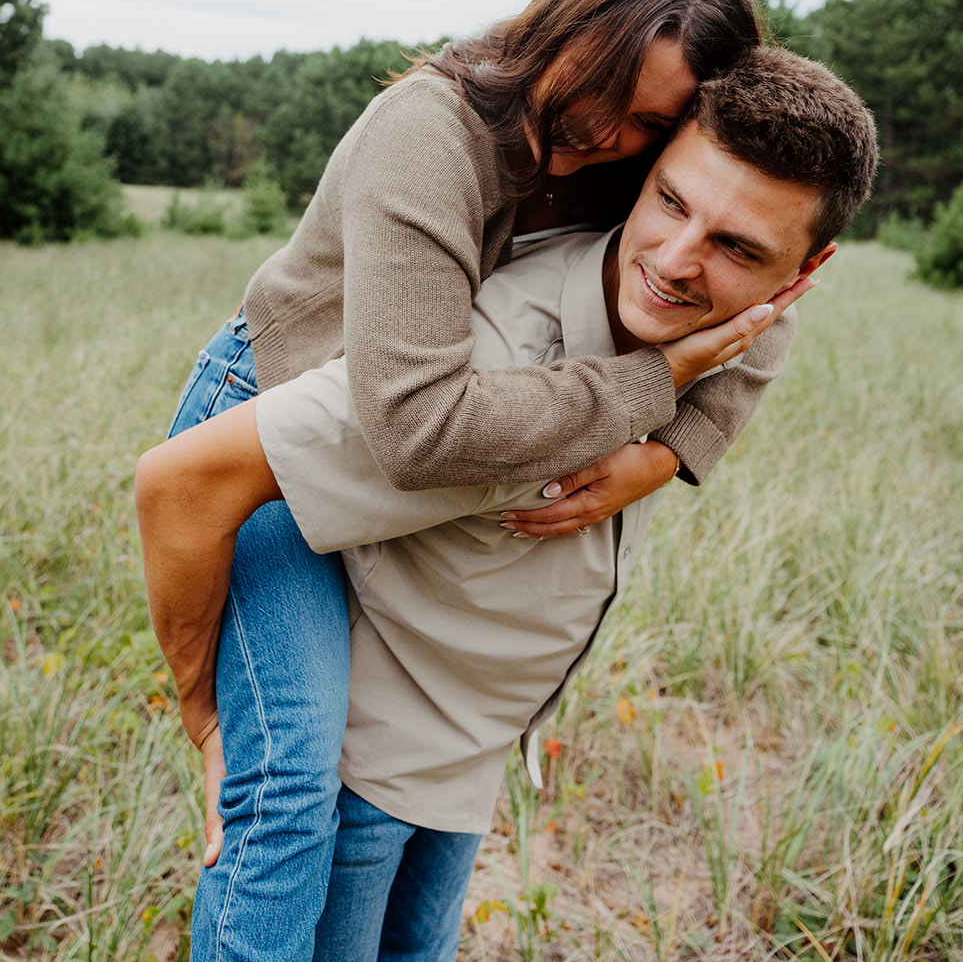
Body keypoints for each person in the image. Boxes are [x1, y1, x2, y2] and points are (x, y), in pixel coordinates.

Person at [138, 47, 878, 960]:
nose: (681, 262)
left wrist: (665, 451)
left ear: (800, 272)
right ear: (644, 177)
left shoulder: (725, 327)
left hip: (469, 753)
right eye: (674, 204)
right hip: (369, 754)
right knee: (284, 817)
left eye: (737, 248)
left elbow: (762, 320)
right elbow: (189, 481)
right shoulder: (480, 361)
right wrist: (203, 708)